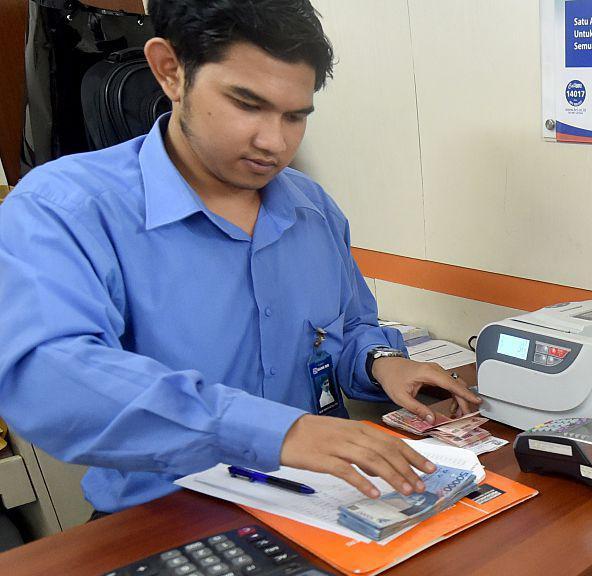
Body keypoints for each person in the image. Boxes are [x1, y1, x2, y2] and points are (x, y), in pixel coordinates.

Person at [0, 0, 480, 515]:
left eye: (295, 116)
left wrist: (382, 361)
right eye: (246, 105)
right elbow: (48, 376)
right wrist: (279, 431)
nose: (274, 143)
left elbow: (346, 329)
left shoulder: (311, 208)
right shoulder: (67, 208)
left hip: (325, 501)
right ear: (170, 72)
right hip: (170, 514)